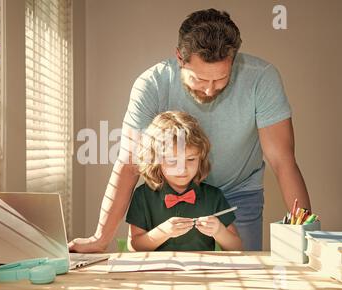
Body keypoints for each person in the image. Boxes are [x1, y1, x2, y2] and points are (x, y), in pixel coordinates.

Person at [69, 8, 311, 252]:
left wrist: (305, 236)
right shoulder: (151, 84)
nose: (209, 90)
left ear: (233, 60)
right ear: (179, 58)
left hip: (238, 193)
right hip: (169, 192)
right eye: (199, 79)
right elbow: (129, 163)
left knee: (242, 273)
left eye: (220, 79)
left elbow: (283, 162)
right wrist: (100, 239)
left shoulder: (262, 79)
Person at [126, 111, 242, 251]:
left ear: (201, 158)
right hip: (156, 271)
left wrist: (219, 232)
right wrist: (162, 233)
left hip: (202, 270)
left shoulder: (213, 196)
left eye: (191, 159)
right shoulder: (142, 196)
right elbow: (134, 247)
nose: (182, 168)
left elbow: (237, 247)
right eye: (172, 161)